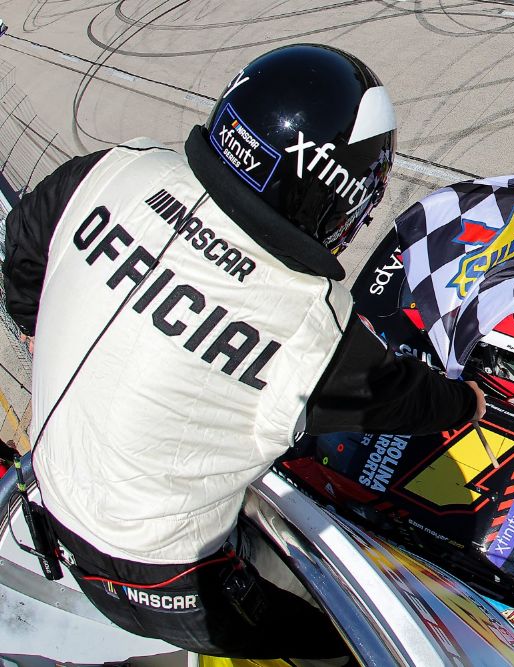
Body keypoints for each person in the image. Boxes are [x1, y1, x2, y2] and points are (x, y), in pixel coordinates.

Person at [1, 44, 485, 658]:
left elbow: (25, 244)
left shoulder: (112, 171)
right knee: (333, 646)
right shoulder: (307, 332)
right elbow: (407, 399)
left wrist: (34, 328)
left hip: (45, 483)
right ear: (342, 192)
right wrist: (467, 403)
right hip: (157, 576)